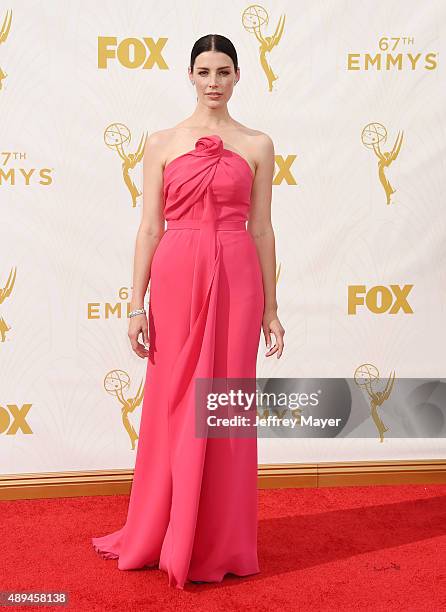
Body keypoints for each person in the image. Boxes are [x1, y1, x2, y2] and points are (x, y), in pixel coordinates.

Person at [92, 33, 285, 590]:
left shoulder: (258, 144)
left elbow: (263, 228)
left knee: (224, 406)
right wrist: (135, 304)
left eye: (224, 71)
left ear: (239, 76)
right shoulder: (160, 142)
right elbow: (150, 226)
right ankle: (161, 529)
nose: (214, 82)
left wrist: (271, 307)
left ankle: (218, 540)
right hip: (176, 277)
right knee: (173, 403)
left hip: (238, 275)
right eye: (204, 71)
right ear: (190, 75)